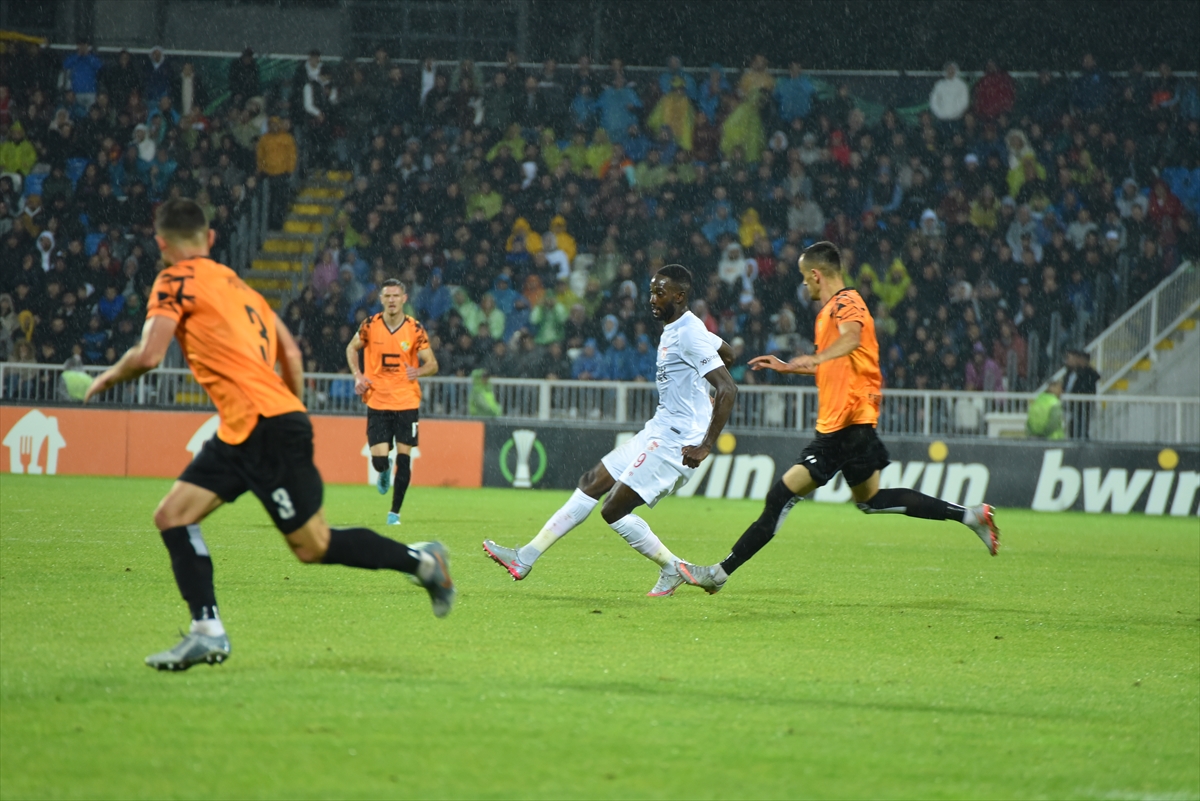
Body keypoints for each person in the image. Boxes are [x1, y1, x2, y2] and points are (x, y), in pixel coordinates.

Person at [83, 200, 454, 671]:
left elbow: (149, 354)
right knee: (173, 515)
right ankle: (206, 631)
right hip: (250, 428)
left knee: (313, 545)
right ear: (210, 239)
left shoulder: (173, 280)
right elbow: (291, 354)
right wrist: (292, 413)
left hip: (263, 428)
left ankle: (425, 563)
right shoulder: (242, 289)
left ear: (161, 244)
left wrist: (106, 378)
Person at [676, 242, 1000, 596]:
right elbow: (835, 363)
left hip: (845, 422)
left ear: (816, 275)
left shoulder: (846, 303)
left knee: (780, 496)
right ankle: (971, 516)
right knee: (870, 499)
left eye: (805, 278)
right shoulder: (829, 313)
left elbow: (851, 339)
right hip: (853, 423)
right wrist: (791, 367)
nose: (805, 285)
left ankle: (718, 574)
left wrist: (814, 359)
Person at [482, 264, 738, 596]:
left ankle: (673, 567)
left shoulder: (688, 332)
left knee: (613, 510)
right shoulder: (681, 328)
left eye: (659, 293)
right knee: (592, 482)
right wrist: (699, 391)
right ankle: (524, 558)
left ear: (679, 296)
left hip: (677, 441)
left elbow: (728, 387)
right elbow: (728, 354)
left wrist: (705, 444)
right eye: (651, 292)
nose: (652, 299)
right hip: (658, 429)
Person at [346, 279, 439, 526]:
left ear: (404, 299)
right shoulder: (370, 325)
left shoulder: (415, 329)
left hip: (407, 401)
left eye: (396, 296)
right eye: (387, 296)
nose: (391, 300)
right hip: (377, 400)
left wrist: (418, 371)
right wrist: (358, 375)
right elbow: (351, 348)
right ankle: (383, 469)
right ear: (381, 299)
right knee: (379, 460)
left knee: (404, 458)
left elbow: (432, 364)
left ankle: (394, 512)